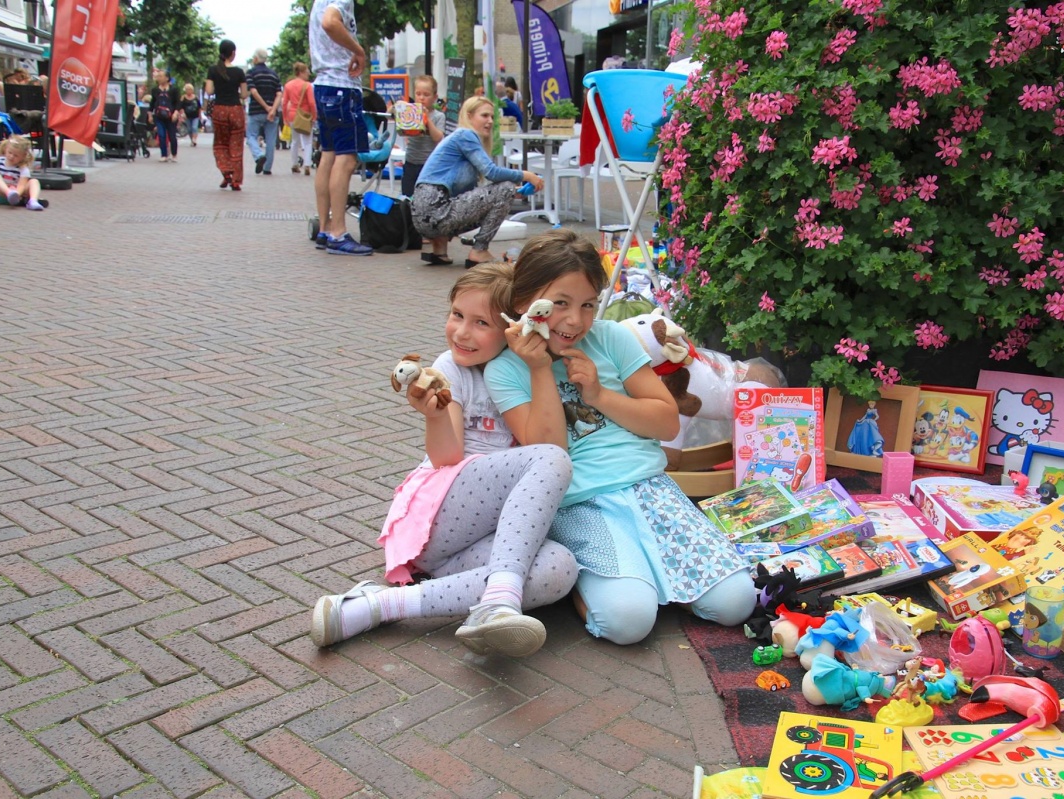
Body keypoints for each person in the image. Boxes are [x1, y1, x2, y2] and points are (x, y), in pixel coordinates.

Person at [483, 230, 759, 646]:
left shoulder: (611, 339)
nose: (575, 320)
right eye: (559, 303)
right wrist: (540, 368)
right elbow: (549, 452)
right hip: (582, 501)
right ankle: (592, 584)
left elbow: (666, 423)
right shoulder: (506, 370)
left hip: (650, 487)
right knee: (628, 624)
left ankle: (655, 580)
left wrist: (598, 394)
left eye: (588, 304)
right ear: (524, 301)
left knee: (738, 603)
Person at [311, 263, 577, 656]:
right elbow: (446, 457)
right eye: (457, 316)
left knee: (560, 568)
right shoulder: (449, 368)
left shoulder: (524, 372)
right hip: (440, 515)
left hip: (471, 543)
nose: (462, 332)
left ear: (510, 328)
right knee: (552, 460)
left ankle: (375, 606)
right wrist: (435, 415)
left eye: (481, 323)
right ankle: (499, 600)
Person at [411, 96, 543, 269]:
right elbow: (492, 173)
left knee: (505, 191)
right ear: (469, 115)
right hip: (436, 209)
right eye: (484, 116)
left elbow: (473, 197)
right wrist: (526, 175)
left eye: (492, 117)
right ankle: (479, 250)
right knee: (505, 188)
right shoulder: (465, 134)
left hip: (423, 215)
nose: (490, 121)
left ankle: (439, 250)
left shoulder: (456, 138)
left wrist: (516, 192)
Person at [308, 0, 373, 255]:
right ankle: (338, 232)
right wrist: (358, 50)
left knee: (329, 154)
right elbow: (330, 22)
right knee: (346, 159)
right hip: (342, 86)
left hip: (323, 84)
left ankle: (325, 227)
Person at [401, 75, 447, 262]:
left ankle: (429, 233)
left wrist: (426, 121)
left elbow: (438, 138)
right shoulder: (410, 112)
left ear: (435, 97)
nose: (421, 98)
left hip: (429, 165)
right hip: (411, 161)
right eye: (418, 94)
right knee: (408, 198)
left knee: (427, 201)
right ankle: (412, 233)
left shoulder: (438, 116)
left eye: (426, 94)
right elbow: (402, 129)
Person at [205, 39, 247, 190]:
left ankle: (226, 173)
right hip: (236, 110)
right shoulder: (239, 72)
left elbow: (209, 91)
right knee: (236, 144)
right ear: (233, 53)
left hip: (220, 110)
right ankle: (236, 180)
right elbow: (244, 94)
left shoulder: (213, 70)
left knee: (220, 144)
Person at [0, 135, 44, 211]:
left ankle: (33, 201)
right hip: (1, 194)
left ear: (23, 156)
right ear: (6, 149)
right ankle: (10, 194)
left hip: (18, 195)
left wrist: (17, 194)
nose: (11, 156)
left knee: (34, 181)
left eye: (16, 155)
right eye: (10, 152)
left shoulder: (23, 169)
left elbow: (22, 185)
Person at [245, 48, 282, 175]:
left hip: (256, 110)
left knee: (251, 136)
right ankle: (267, 168)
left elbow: (253, 91)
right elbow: (279, 94)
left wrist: (266, 107)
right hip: (273, 112)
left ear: (255, 59)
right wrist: (272, 109)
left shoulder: (251, 73)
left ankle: (259, 155)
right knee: (271, 140)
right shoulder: (274, 74)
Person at [281, 62, 315, 176]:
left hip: (292, 115)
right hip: (304, 116)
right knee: (307, 142)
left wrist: (285, 117)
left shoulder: (288, 85)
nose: (308, 74)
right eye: (306, 72)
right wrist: (314, 115)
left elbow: (285, 102)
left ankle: (295, 164)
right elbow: (311, 102)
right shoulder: (307, 86)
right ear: (301, 72)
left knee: (294, 141)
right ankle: (307, 164)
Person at [148, 69, 181, 163]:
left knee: (172, 136)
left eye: (161, 76)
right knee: (161, 135)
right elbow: (152, 103)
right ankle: (164, 155)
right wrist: (150, 114)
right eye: (158, 76)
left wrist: (176, 113)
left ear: (167, 78)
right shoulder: (155, 90)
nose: (158, 78)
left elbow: (178, 103)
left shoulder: (174, 89)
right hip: (159, 116)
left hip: (171, 116)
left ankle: (174, 154)